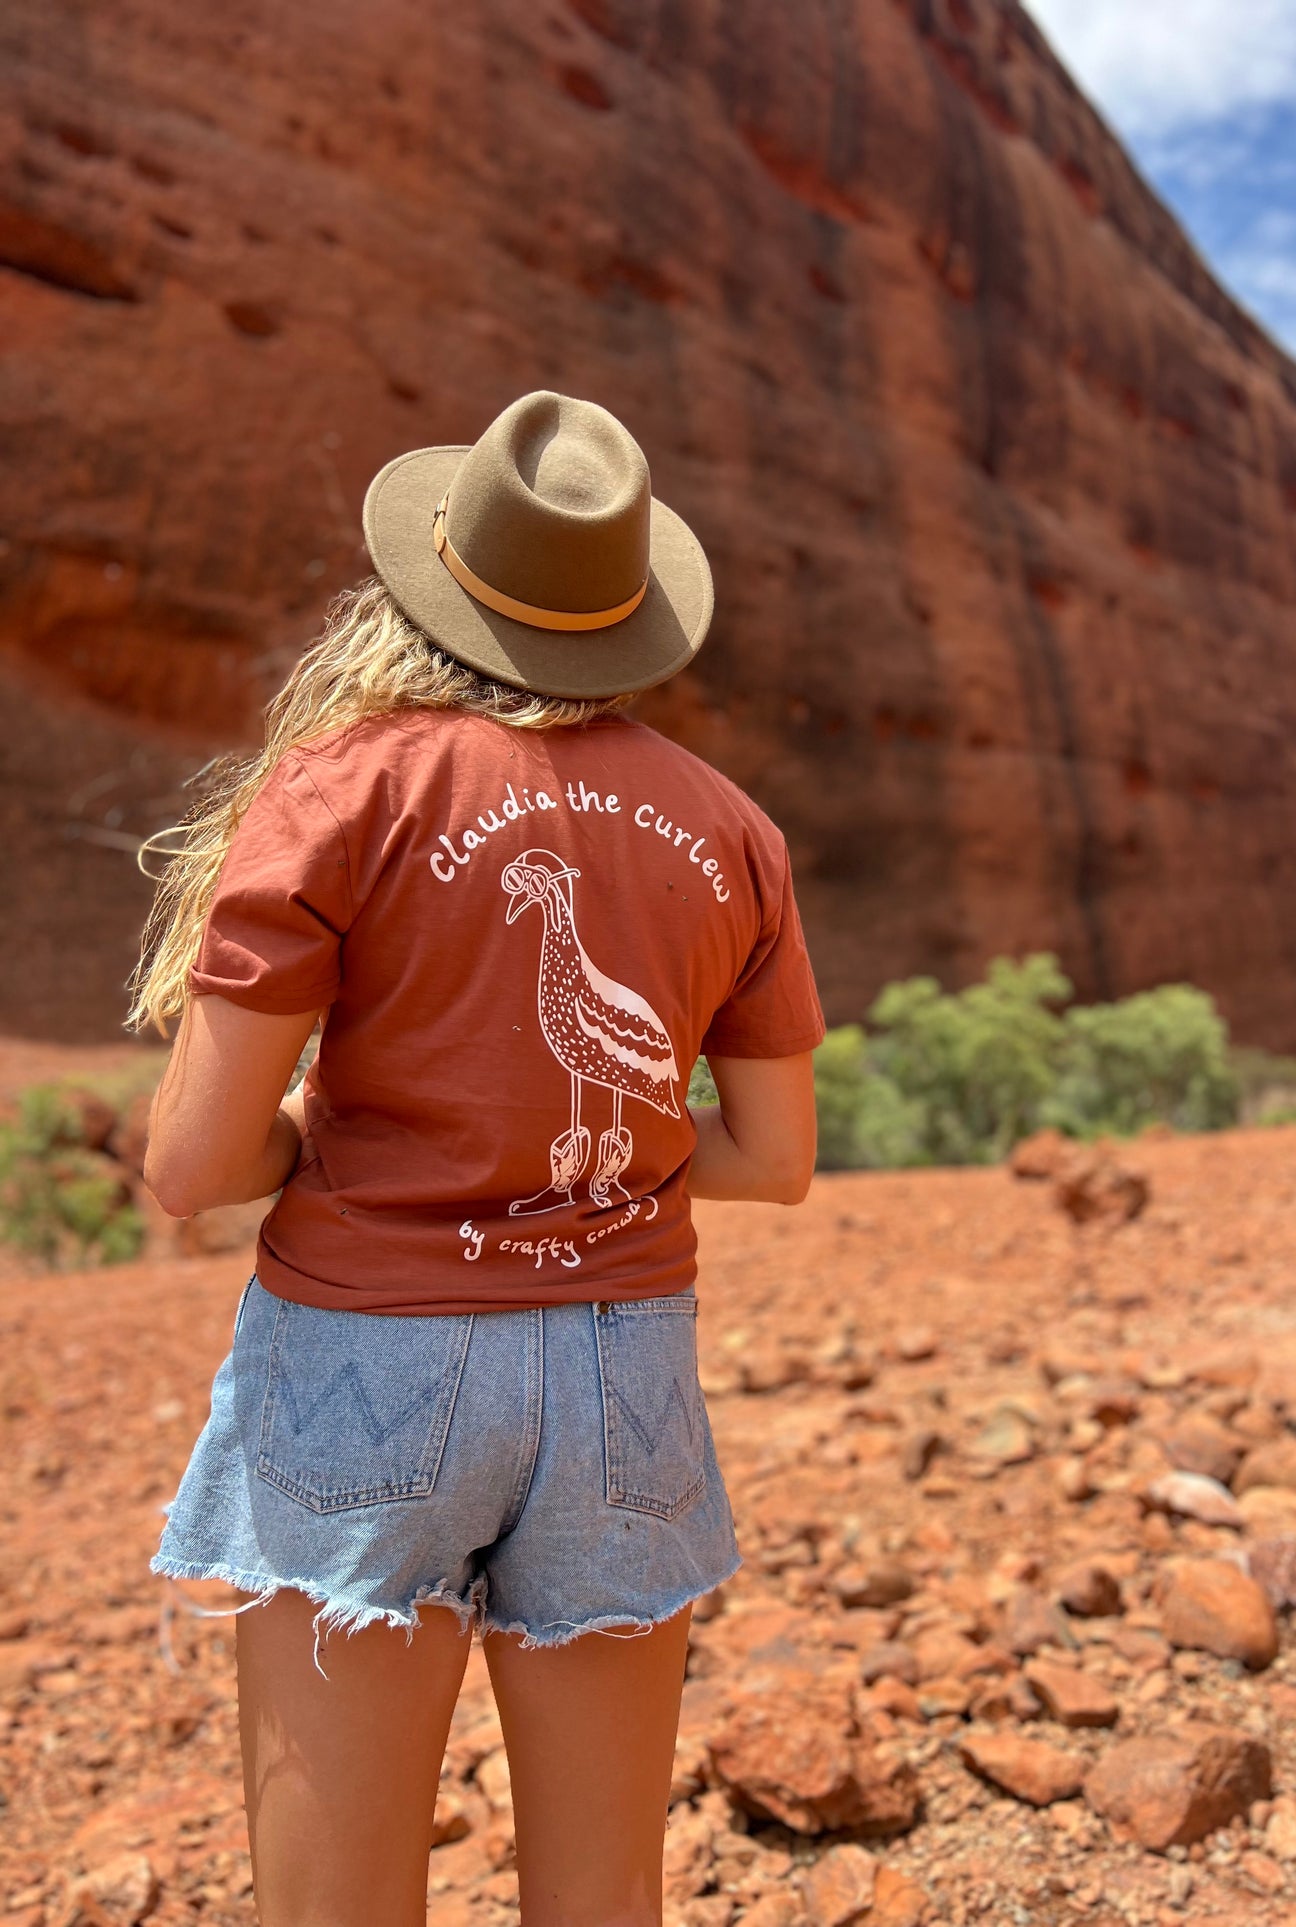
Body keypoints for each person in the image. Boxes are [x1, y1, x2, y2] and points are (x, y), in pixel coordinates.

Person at [129, 391, 827, 1927]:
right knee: (601, 1900)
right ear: (626, 615)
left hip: (368, 1356)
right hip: (623, 1365)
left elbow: (186, 1164)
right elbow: (775, 1158)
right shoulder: (732, 829)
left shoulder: (344, 787)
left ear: (430, 584)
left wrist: (325, 1130)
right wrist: (593, 1171)